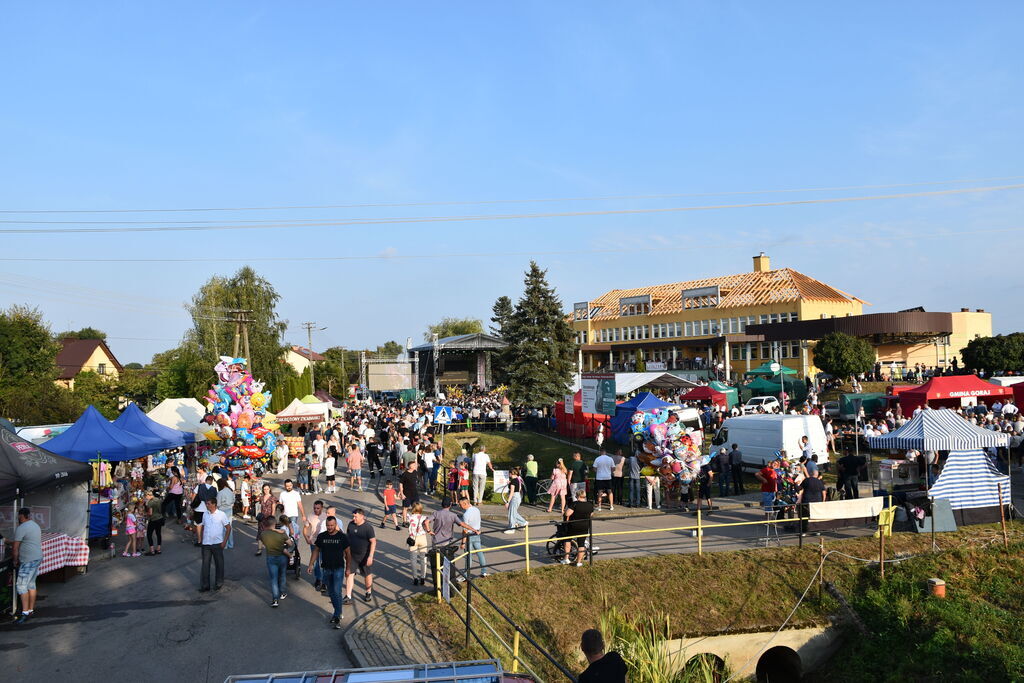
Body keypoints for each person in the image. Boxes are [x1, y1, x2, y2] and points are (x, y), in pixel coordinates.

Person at [308, 516, 352, 628]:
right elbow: (316, 550)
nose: (330, 527)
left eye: (332, 525)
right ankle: (337, 612)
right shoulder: (322, 536)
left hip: (338, 569)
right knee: (331, 592)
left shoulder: (342, 537)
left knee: (337, 591)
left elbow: (348, 553)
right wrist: (311, 564)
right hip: (326, 569)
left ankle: (337, 615)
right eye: (328, 525)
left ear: (335, 524)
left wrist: (348, 568)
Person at [12, 508, 42, 624]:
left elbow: (15, 548)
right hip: (37, 557)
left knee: (21, 585)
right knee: (31, 584)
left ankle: (24, 613)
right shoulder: (34, 525)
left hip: (28, 560)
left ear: (21, 516)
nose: (17, 518)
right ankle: (30, 610)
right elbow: (27, 541)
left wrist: (15, 561)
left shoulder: (21, 528)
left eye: (18, 516)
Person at [196, 498, 231, 593]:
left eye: (208, 504)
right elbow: (203, 526)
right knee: (205, 565)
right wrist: (202, 539)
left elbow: (228, 528)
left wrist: (224, 542)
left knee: (219, 564)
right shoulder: (205, 514)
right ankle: (205, 585)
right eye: (206, 504)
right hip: (206, 544)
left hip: (217, 544)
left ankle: (219, 583)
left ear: (214, 504)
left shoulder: (221, 515)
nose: (207, 505)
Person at [260, 515, 293, 607]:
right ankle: (282, 593)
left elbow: (263, 542)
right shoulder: (282, 533)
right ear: (275, 524)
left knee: (273, 579)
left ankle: (275, 599)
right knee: (282, 575)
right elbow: (290, 544)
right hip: (282, 557)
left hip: (270, 557)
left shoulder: (263, 534)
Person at [345, 508, 377, 603]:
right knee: (349, 574)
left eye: (356, 516)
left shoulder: (368, 528)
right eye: (353, 516)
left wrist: (370, 556)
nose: (353, 518)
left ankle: (368, 592)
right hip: (352, 556)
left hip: (364, 556)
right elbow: (347, 538)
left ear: (362, 516)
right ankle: (348, 596)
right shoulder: (350, 525)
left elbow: (373, 542)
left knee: (367, 575)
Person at [456, 496, 489, 579]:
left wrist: (463, 542)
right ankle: (484, 571)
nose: (460, 506)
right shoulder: (476, 510)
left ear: (465, 503)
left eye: (460, 504)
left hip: (469, 536)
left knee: (468, 556)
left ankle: (466, 576)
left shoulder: (466, 514)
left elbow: (465, 530)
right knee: (480, 554)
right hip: (477, 533)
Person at [560, 489, 594, 566]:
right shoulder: (590, 505)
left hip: (573, 526)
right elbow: (591, 515)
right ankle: (578, 562)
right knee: (581, 544)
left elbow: (567, 513)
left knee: (567, 539)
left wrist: (565, 512)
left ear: (577, 496)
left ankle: (566, 558)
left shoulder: (574, 504)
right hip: (585, 526)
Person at [303, 500, 328, 592]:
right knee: (317, 562)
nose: (316, 510)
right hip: (314, 542)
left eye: (318, 508)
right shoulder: (310, 516)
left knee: (324, 561)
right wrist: (306, 538)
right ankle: (318, 579)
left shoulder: (326, 516)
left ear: (321, 508)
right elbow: (305, 529)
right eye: (314, 508)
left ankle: (325, 581)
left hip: (325, 542)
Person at [406, 502, 431, 585]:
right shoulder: (424, 517)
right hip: (423, 538)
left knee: (413, 559)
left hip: (413, 539)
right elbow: (427, 524)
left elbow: (405, 520)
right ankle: (423, 577)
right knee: (423, 558)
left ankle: (415, 577)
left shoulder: (409, 517)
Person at [503, 467, 528, 534]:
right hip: (517, 496)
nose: (508, 475)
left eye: (509, 473)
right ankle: (523, 523)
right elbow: (519, 489)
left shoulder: (513, 481)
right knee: (513, 512)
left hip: (514, 497)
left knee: (511, 513)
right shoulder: (518, 479)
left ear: (511, 474)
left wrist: (507, 501)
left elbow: (511, 492)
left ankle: (512, 528)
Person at [255, 483, 277, 556]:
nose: (266, 490)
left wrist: (272, 519)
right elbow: (259, 507)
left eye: (267, 489)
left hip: (268, 518)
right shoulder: (261, 497)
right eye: (264, 489)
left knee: (269, 534)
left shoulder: (273, 498)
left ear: (269, 489)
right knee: (260, 534)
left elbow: (273, 509)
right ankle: (259, 549)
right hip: (261, 518)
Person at [216, 479, 236, 549]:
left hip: (222, 510)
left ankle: (225, 544)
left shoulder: (220, 492)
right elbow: (234, 500)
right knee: (229, 527)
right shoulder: (230, 491)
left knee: (223, 529)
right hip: (229, 510)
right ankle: (231, 544)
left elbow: (218, 504)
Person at [399, 461, 420, 525]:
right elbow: (401, 484)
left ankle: (414, 520)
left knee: (416, 507)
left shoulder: (415, 472)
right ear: (410, 466)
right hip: (407, 493)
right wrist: (401, 493)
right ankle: (404, 521)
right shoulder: (405, 474)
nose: (415, 466)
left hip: (415, 493)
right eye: (414, 465)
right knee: (405, 507)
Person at [144, 490, 164, 555]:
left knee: (149, 534)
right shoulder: (159, 500)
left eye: (146, 496)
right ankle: (158, 549)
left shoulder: (150, 502)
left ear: (149, 495)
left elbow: (150, 513)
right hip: (160, 518)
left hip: (153, 519)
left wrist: (145, 514)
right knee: (158, 533)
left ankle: (152, 550)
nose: (145, 497)